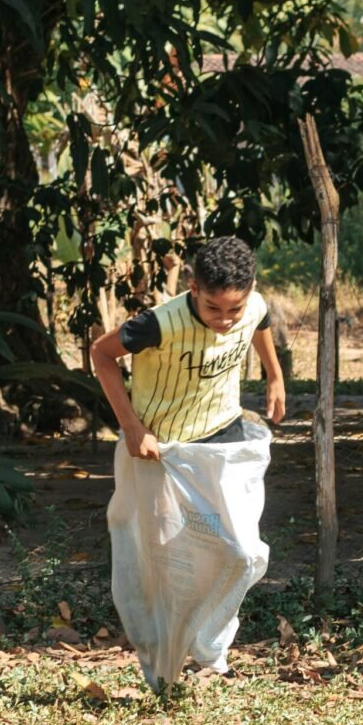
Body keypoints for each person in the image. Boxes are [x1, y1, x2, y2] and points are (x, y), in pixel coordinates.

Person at [91, 236, 286, 690]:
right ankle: (165, 669)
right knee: (168, 568)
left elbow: (259, 322)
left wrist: (274, 376)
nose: (224, 320)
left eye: (232, 310)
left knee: (244, 554)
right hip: (164, 454)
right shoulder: (158, 324)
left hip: (226, 442)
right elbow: (101, 354)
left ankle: (210, 647)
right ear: (194, 288)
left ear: (249, 289)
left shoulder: (250, 305)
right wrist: (133, 428)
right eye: (213, 308)